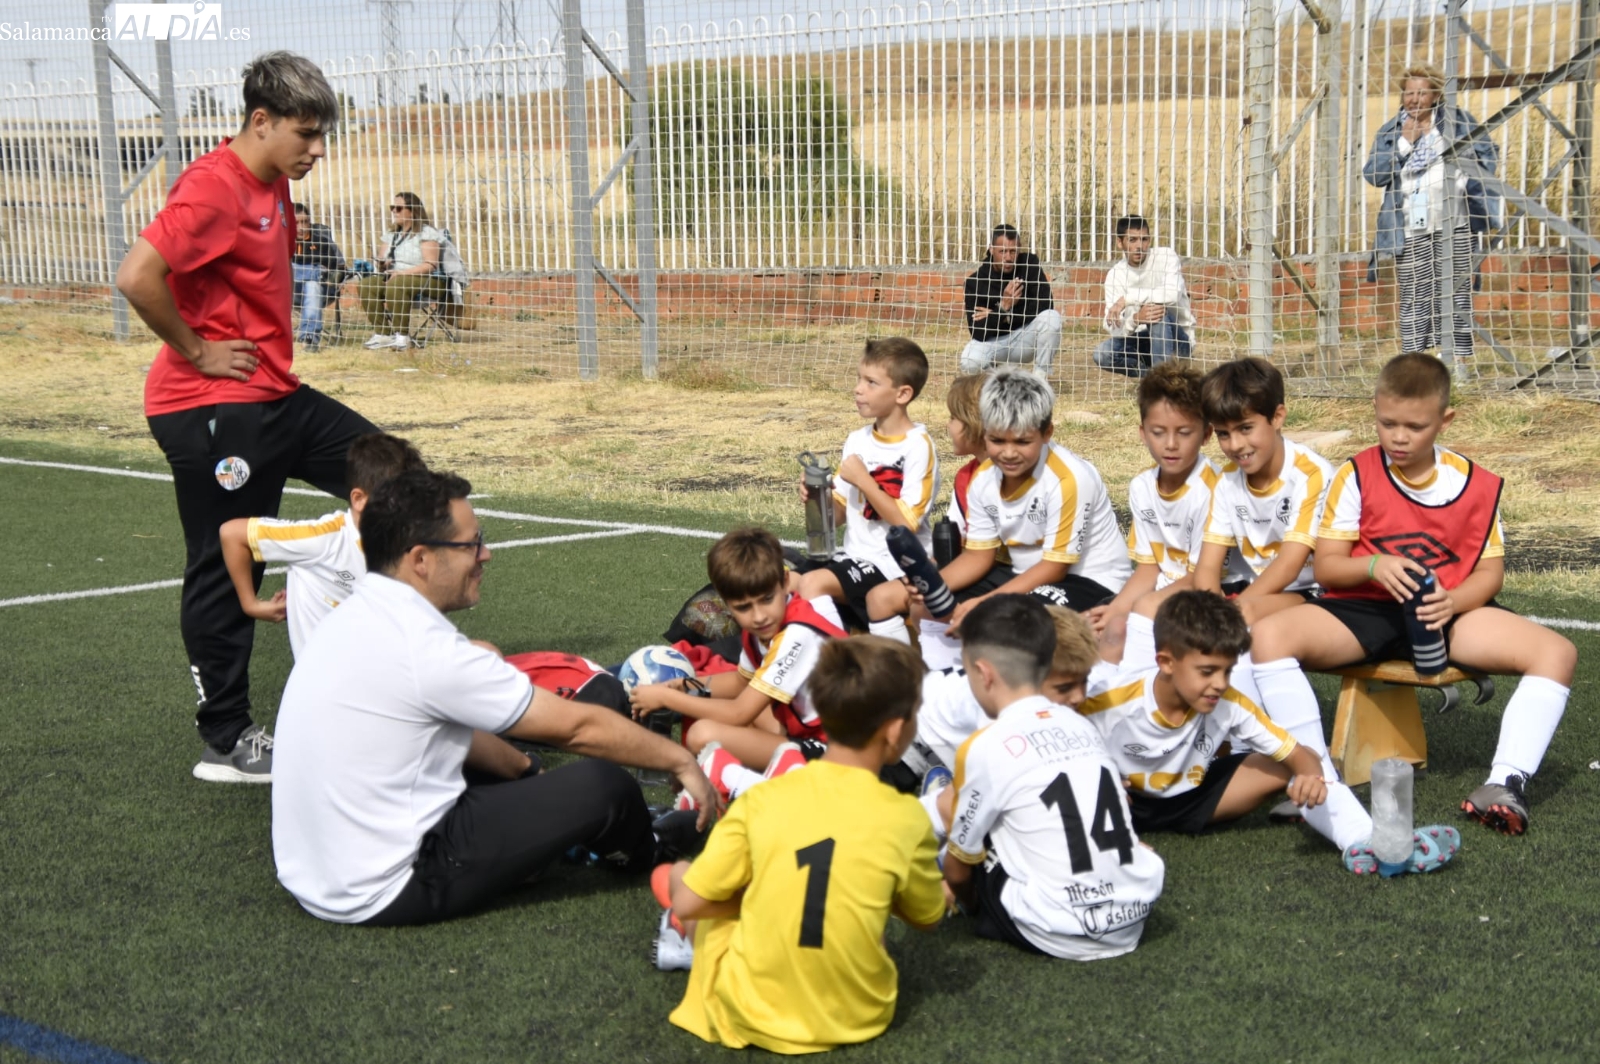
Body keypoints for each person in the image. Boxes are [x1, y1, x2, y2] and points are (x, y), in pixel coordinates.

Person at [270, 469, 720, 926]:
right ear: (421, 559)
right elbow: (576, 727)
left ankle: (552, 837)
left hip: (315, 871)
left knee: (511, 765)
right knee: (604, 786)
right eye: (472, 544)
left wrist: (528, 771)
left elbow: (454, 733)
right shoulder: (422, 646)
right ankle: (646, 846)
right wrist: (679, 761)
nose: (485, 554)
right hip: (388, 883)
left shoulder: (358, 613)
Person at [115, 51, 379, 784]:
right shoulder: (214, 188)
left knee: (398, 485)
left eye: (323, 134)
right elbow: (137, 276)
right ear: (260, 122)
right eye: (306, 134)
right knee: (222, 559)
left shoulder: (274, 183)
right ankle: (227, 741)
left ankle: (353, 647)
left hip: (275, 397)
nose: (318, 150)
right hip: (210, 409)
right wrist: (197, 351)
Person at [1248, 354, 1576, 837]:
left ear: (1445, 421)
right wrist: (1375, 566)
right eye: (1387, 423)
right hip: (1365, 607)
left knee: (1557, 652)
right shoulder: (1355, 473)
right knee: (1270, 636)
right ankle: (1319, 781)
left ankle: (1504, 782)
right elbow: (1328, 565)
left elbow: (1490, 574)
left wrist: (1454, 601)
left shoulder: (1475, 482)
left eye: (1415, 426)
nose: (1398, 437)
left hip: (1447, 612)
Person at [653, 636, 944, 1051]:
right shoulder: (907, 818)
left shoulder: (761, 801)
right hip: (860, 1016)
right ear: (897, 731)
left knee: (682, 876)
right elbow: (928, 917)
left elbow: (689, 903)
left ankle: (683, 939)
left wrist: (760, 898)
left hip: (749, 1010)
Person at [1081, 591, 1459, 874]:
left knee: (1290, 766)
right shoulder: (1109, 701)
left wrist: (1309, 775)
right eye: (1206, 671)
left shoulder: (1228, 702)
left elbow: (1301, 754)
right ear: (1165, 661)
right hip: (1122, 801)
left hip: (1194, 798)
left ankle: (1360, 842)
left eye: (1227, 671)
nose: (1219, 684)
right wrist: (1102, 781)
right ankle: (1117, 843)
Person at [941, 595, 1165, 960]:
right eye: (1065, 687)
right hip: (1133, 918)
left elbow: (960, 868)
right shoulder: (1083, 726)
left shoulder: (988, 743)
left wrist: (971, 903)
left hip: (1056, 931)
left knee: (965, 826)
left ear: (983, 674)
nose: (1078, 697)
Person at [631, 527, 848, 799]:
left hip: (847, 751)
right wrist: (683, 686)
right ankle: (727, 776)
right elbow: (739, 682)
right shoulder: (762, 630)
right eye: (744, 608)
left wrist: (666, 698)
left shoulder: (797, 634)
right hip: (812, 732)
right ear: (726, 605)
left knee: (702, 734)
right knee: (710, 706)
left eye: (767, 599)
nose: (759, 617)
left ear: (784, 582)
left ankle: (733, 785)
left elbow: (738, 713)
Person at [936, 369, 1130, 628]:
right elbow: (977, 557)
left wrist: (987, 602)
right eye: (997, 440)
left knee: (1009, 620)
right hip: (1023, 574)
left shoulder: (1068, 478)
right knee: (932, 604)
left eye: (1022, 441)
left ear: (1047, 432)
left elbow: (1055, 567)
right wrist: (925, 586)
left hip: (1086, 579)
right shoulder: (982, 477)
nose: (1008, 453)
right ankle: (948, 667)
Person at [219, 432, 425, 659]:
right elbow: (232, 534)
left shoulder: (410, 542)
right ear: (359, 499)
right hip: (328, 683)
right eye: (397, 501)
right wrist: (251, 605)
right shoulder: (324, 539)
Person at [900, 604, 1101, 823]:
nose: (1079, 697)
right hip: (910, 732)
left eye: (1085, 681)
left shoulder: (1050, 678)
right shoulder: (997, 704)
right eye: (1064, 689)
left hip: (947, 739)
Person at [797, 338, 939, 646]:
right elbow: (836, 516)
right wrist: (816, 497)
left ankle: (837, 665)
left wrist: (864, 481)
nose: (858, 389)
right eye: (859, 379)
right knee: (785, 579)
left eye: (871, 382)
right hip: (855, 557)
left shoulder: (918, 445)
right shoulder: (857, 439)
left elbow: (907, 524)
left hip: (894, 565)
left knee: (812, 583)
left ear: (903, 394)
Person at [1090, 361, 1234, 662]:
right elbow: (1148, 568)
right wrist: (1118, 607)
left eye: (1184, 432)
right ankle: (1107, 704)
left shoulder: (1214, 489)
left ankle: (1139, 702)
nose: (1170, 444)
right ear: (1143, 433)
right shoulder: (1142, 487)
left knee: (1127, 628)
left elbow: (1201, 578)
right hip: (1160, 590)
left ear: (1206, 434)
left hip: (1209, 595)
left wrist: (1137, 607)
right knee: (1096, 625)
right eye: (1158, 432)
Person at [1362, 64, 1500, 364]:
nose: (1414, 99)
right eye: (1409, 93)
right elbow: (1374, 175)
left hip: (1456, 222)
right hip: (1410, 226)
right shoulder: (1390, 130)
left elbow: (1489, 154)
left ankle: (1456, 360)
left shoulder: (1458, 122)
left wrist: (1467, 176)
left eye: (1422, 92)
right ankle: (1415, 362)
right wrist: (1403, 145)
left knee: (1456, 291)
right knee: (1415, 293)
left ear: (1437, 94)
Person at [1191, 358, 1333, 629]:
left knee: (1242, 618)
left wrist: (1232, 611)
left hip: (1308, 593)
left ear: (1277, 417)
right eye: (1223, 434)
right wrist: (1212, 604)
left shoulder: (1311, 474)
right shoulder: (1226, 481)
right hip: (1249, 589)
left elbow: (1290, 565)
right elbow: (1207, 568)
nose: (1235, 445)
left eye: (1245, 428)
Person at [915, 372, 989, 667]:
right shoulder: (965, 476)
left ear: (974, 422)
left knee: (913, 600)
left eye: (953, 418)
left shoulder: (998, 475)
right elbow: (955, 546)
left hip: (999, 572)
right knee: (915, 597)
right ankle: (935, 673)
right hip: (977, 566)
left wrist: (935, 582)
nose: (948, 426)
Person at [1092, 214, 1195, 377]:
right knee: (1102, 353)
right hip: (1141, 341)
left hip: (1178, 340)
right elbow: (1112, 326)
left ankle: (1162, 387)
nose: (1140, 246)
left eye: (1144, 239)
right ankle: (1154, 380)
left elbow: (1172, 294)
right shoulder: (1115, 275)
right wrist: (1136, 319)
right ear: (1120, 242)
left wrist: (1127, 300)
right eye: (1132, 240)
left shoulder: (1166, 257)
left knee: (1155, 311)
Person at [959, 223, 1063, 377]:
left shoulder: (1029, 264)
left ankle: (1040, 378)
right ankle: (998, 380)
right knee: (969, 361)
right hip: (995, 342)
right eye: (1003, 252)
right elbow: (978, 331)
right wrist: (1003, 306)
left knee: (1052, 318)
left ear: (1019, 249)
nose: (1008, 258)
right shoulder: (975, 282)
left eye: (1013, 251)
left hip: (1025, 338)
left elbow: (1046, 303)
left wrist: (1004, 315)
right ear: (991, 250)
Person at [357, 191, 447, 351]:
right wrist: (383, 264)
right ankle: (383, 333)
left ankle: (402, 336)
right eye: (393, 207)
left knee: (397, 283)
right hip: (395, 276)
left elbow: (430, 265)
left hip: (427, 279)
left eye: (398, 208)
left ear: (412, 210)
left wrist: (402, 273)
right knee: (367, 284)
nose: (394, 211)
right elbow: (381, 262)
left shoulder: (426, 233)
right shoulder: (391, 235)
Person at [291, 201, 344, 350]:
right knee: (296, 270)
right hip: (288, 291)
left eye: (305, 222)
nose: (302, 227)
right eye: (297, 223)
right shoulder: (280, 240)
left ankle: (309, 339)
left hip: (323, 291)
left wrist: (328, 276)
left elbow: (341, 269)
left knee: (313, 285)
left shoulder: (323, 241)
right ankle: (314, 272)